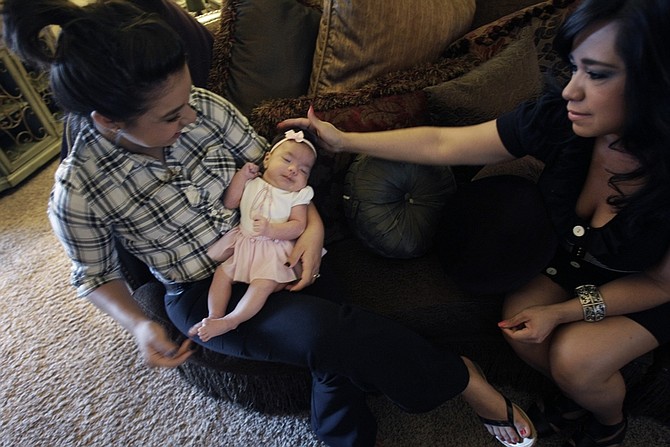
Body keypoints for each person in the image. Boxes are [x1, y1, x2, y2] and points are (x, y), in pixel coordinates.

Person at [1, 1, 538, 446]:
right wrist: (141, 325)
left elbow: (279, 178)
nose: (191, 117)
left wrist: (313, 231)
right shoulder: (78, 192)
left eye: (187, 100)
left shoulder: (206, 109)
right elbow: (94, 277)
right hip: (200, 288)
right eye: (170, 116)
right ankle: (461, 378)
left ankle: (343, 438)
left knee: (333, 341)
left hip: (277, 242)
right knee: (326, 332)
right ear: (108, 122)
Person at [280, 0, 670, 445]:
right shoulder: (561, 120)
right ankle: (579, 396)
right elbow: (447, 143)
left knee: (574, 359)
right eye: (575, 68)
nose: (571, 91)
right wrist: (344, 139)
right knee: (523, 332)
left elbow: (661, 285)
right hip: (573, 260)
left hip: (646, 285)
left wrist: (563, 312)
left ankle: (609, 423)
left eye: (596, 74)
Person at [190, 129, 319, 341]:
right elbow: (230, 203)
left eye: (304, 170)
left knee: (263, 284)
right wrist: (241, 177)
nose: (293, 169)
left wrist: (271, 230)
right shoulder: (252, 182)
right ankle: (214, 315)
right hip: (245, 245)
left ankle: (232, 320)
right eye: (287, 159)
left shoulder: (297, 195)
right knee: (222, 274)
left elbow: (298, 226)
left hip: (275, 250)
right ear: (267, 159)